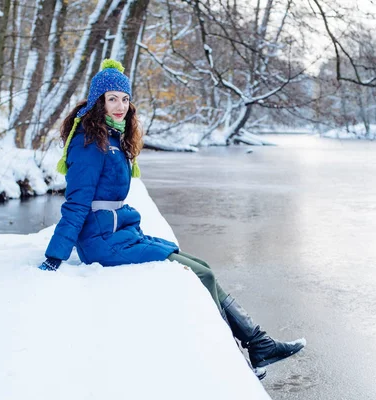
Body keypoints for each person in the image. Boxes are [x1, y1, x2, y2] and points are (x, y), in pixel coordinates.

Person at [39, 59, 305, 379]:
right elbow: (76, 203)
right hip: (101, 241)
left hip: (116, 232)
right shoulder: (89, 143)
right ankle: (246, 354)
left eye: (125, 99)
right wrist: (54, 257)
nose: (121, 106)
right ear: (99, 101)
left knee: (202, 266)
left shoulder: (113, 139)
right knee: (198, 274)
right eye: (112, 99)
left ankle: (259, 345)